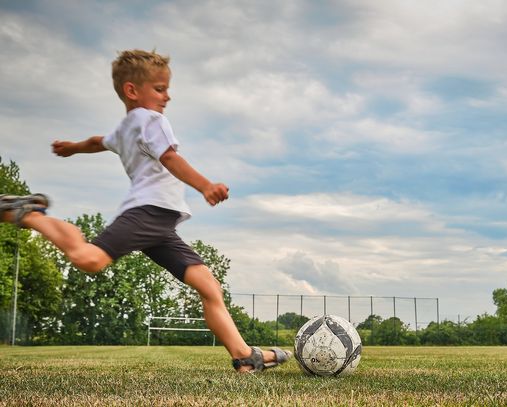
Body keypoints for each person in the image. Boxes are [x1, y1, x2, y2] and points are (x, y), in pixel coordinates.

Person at [0, 49, 291, 373]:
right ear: (132, 90)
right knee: (89, 258)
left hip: (160, 224)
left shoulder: (127, 126)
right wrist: (205, 186)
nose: (167, 96)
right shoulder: (150, 119)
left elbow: (100, 141)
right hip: (147, 212)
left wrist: (74, 147)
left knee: (208, 285)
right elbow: (168, 157)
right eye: (160, 88)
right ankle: (28, 214)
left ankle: (245, 357)